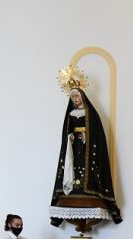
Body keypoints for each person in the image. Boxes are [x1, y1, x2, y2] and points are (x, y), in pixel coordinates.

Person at [49, 86, 122, 230]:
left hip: (87, 148)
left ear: (82, 96)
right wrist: (70, 137)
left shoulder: (91, 113)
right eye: (73, 98)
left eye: (77, 96)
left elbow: (97, 135)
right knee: (73, 167)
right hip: (74, 148)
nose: (75, 100)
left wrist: (87, 137)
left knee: (87, 168)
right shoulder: (70, 113)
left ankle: (88, 191)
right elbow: (67, 131)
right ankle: (73, 190)